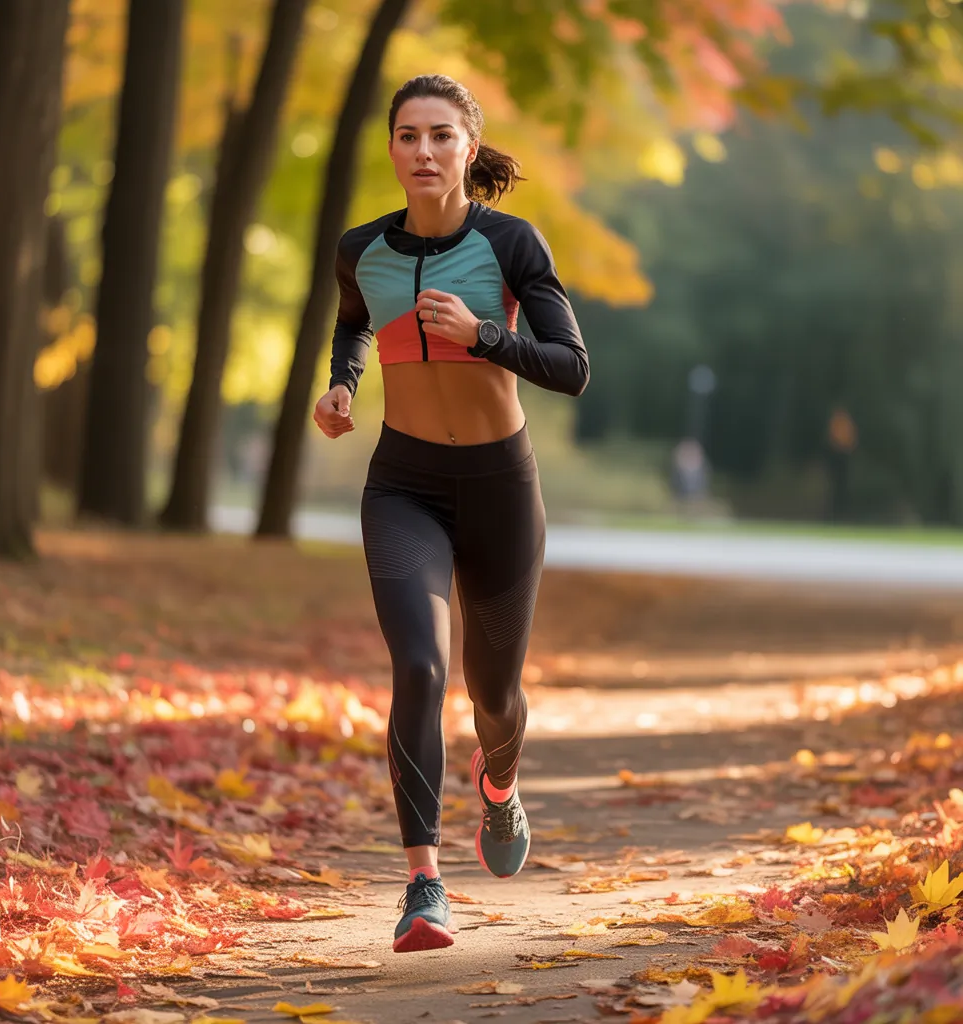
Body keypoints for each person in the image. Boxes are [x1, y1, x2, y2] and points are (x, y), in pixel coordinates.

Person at [312, 74, 589, 953]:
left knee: (494, 697)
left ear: (469, 148)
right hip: (405, 485)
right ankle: (423, 887)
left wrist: (484, 337)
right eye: (406, 136)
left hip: (501, 489)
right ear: (391, 149)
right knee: (421, 670)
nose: (422, 151)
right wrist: (341, 384)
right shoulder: (363, 248)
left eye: (440, 136)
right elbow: (355, 322)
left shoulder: (510, 244)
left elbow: (571, 365)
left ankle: (500, 786)